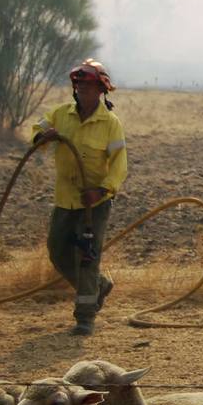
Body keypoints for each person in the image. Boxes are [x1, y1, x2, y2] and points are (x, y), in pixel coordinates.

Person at [31, 59, 128, 336]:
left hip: (94, 202)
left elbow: (120, 164)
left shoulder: (110, 124)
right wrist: (42, 136)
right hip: (65, 198)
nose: (82, 89)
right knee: (58, 251)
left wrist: (102, 189)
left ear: (101, 89)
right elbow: (36, 131)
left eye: (88, 85)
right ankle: (99, 285)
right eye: (79, 85)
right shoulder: (61, 114)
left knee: (86, 257)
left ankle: (85, 316)